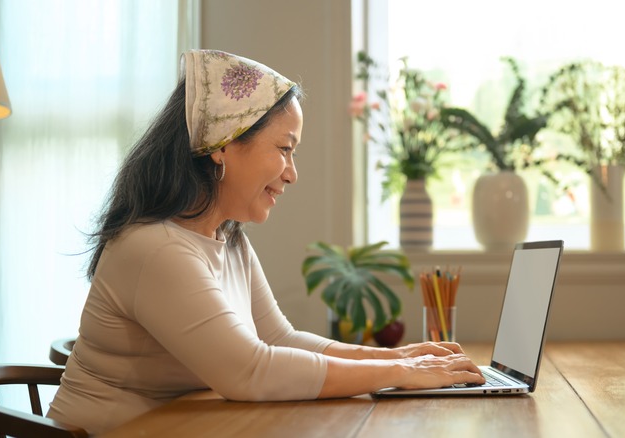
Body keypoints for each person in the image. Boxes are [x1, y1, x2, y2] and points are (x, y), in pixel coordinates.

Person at [47, 49, 484, 434]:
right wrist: (400, 372)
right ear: (222, 145)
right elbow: (250, 370)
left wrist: (394, 360)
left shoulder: (227, 238)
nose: (292, 173)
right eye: (284, 148)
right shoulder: (155, 248)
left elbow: (280, 338)